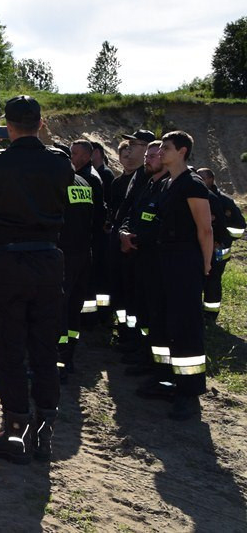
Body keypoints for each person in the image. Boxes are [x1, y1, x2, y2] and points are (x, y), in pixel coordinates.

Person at [0, 96, 73, 464]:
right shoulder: (59, 163)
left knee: (8, 348)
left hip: (7, 263)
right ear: (40, 124)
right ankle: (44, 433)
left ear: (7, 126)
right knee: (44, 349)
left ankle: (14, 431)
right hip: (48, 261)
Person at [149, 131, 213, 421]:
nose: (161, 151)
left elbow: (205, 229)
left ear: (183, 151)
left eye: (166, 147)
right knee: (164, 320)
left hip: (185, 261)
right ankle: (166, 379)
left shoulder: (192, 184)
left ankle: (189, 391)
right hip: (165, 260)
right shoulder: (168, 184)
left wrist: (206, 265)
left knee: (186, 325)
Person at [119, 141, 167, 377]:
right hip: (138, 258)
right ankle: (143, 352)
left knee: (156, 315)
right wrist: (124, 233)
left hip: (156, 261)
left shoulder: (169, 188)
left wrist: (136, 239)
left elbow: (166, 227)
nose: (147, 159)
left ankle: (155, 364)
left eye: (153, 156)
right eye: (146, 156)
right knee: (142, 311)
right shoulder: (148, 184)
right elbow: (131, 214)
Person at [54, 144, 94, 384]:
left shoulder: (60, 184)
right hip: (82, 255)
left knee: (58, 310)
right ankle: (68, 358)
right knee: (72, 311)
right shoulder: (83, 183)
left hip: (64, 256)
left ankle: (57, 363)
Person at [197, 168, 246, 322]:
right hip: (203, 247)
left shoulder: (224, 201)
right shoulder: (198, 197)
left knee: (213, 281)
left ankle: (211, 314)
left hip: (219, 250)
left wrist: (223, 240)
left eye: (202, 178)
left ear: (211, 179)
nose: (199, 180)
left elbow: (238, 228)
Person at [69, 140, 106, 319]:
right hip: (84, 241)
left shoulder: (88, 178)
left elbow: (97, 213)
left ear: (86, 156)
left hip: (85, 240)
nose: (71, 156)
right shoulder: (85, 175)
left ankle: (88, 320)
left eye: (74, 153)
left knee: (85, 285)